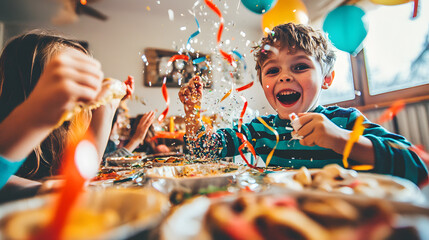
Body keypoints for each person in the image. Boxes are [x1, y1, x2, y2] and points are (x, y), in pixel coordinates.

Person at [179, 23, 428, 185]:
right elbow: (203, 150)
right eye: (272, 70)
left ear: (327, 79)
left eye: (300, 67)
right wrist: (192, 112)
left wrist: (340, 139)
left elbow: (418, 167)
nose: (284, 77)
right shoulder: (259, 129)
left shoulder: (344, 121)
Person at [0, 30, 127, 183]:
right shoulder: (14, 135)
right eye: (69, 76)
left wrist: (107, 106)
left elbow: (80, 175)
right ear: (29, 86)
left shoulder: (67, 130)